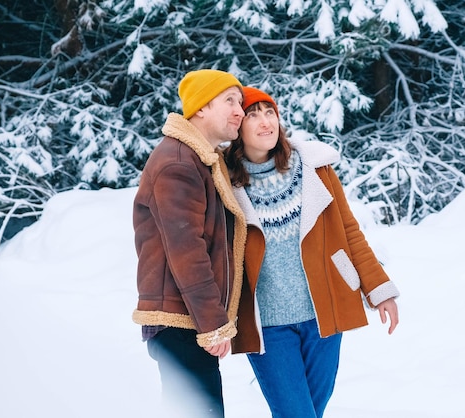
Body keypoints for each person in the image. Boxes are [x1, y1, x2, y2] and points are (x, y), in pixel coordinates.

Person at [225, 86, 400, 418]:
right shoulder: (224, 181)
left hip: (324, 314)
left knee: (311, 412)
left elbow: (349, 232)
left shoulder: (315, 168)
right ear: (237, 127)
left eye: (269, 112)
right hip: (268, 327)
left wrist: (379, 290)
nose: (265, 122)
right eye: (252, 114)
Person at [132, 69, 247, 418]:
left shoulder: (198, 159)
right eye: (230, 101)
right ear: (200, 108)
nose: (240, 111)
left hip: (185, 318)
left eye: (240, 103)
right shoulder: (178, 163)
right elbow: (187, 253)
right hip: (179, 320)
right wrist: (213, 324)